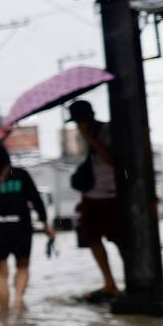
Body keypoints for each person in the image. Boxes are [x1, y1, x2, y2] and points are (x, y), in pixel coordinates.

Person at [0, 143, 54, 311]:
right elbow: (37, 201)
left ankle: (4, 314)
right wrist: (46, 224)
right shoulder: (21, 174)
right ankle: (17, 301)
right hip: (21, 228)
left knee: (1, 275)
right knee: (22, 266)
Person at [68, 100, 122, 303]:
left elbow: (111, 159)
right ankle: (110, 283)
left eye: (80, 120)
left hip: (112, 194)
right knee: (92, 238)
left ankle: (131, 280)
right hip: (91, 195)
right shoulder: (80, 136)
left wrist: (90, 137)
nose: (79, 124)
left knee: (118, 238)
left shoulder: (107, 130)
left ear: (90, 115)